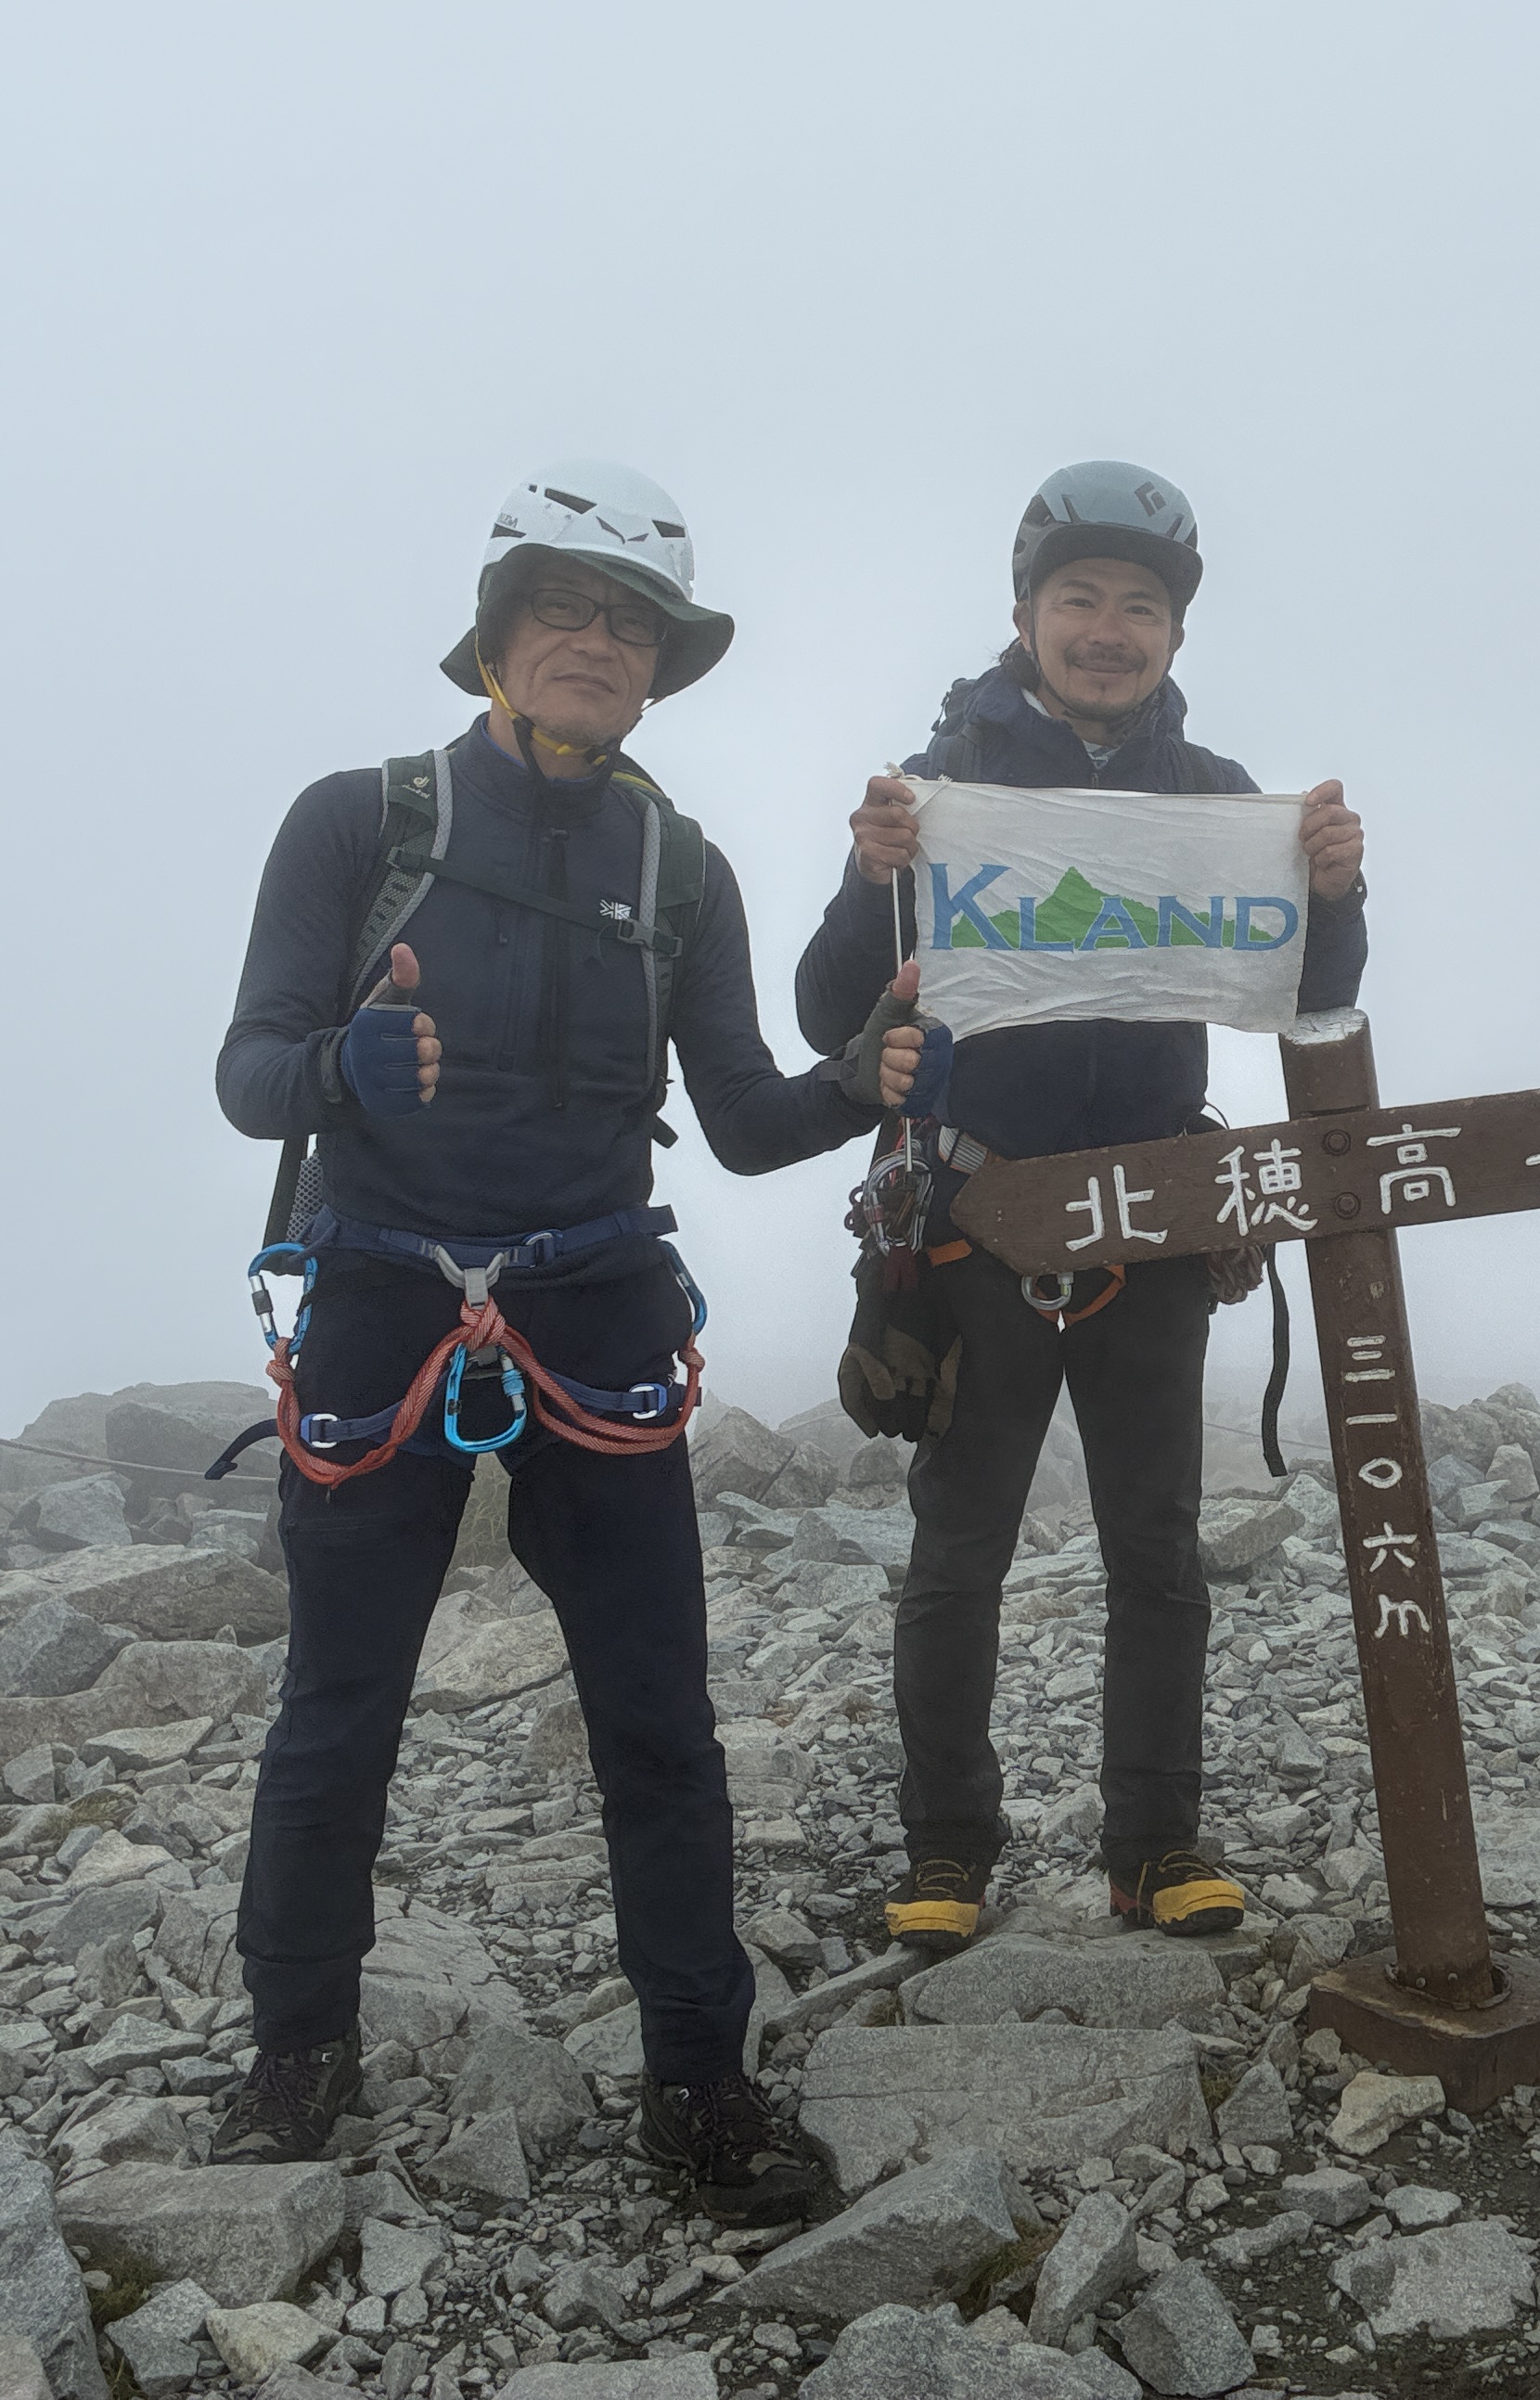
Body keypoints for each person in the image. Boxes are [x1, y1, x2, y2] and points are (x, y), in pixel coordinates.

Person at [212, 457, 926, 2218]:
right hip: (381, 1292)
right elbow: (247, 1077)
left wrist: (857, 1083)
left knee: (658, 1722)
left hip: (598, 1303)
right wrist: (338, 1073)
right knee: (337, 1710)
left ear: (662, 665)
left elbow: (745, 1119)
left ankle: (700, 2081)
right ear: (496, 636)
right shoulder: (355, 822)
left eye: (631, 624)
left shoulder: (682, 867)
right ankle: (296, 2050)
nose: (595, 643)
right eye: (564, 611)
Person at [795, 460, 1367, 1957]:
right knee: (958, 1550)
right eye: (1080, 599)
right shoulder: (940, 792)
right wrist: (872, 885)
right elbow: (822, 1010)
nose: (1109, 629)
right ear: (1025, 613)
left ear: (1175, 633)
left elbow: (1313, 997)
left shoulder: (1217, 803)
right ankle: (946, 1850)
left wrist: (1333, 891)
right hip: (976, 1217)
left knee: (1157, 1546)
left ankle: (1156, 1843)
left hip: (1157, 1219)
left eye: (1140, 605)